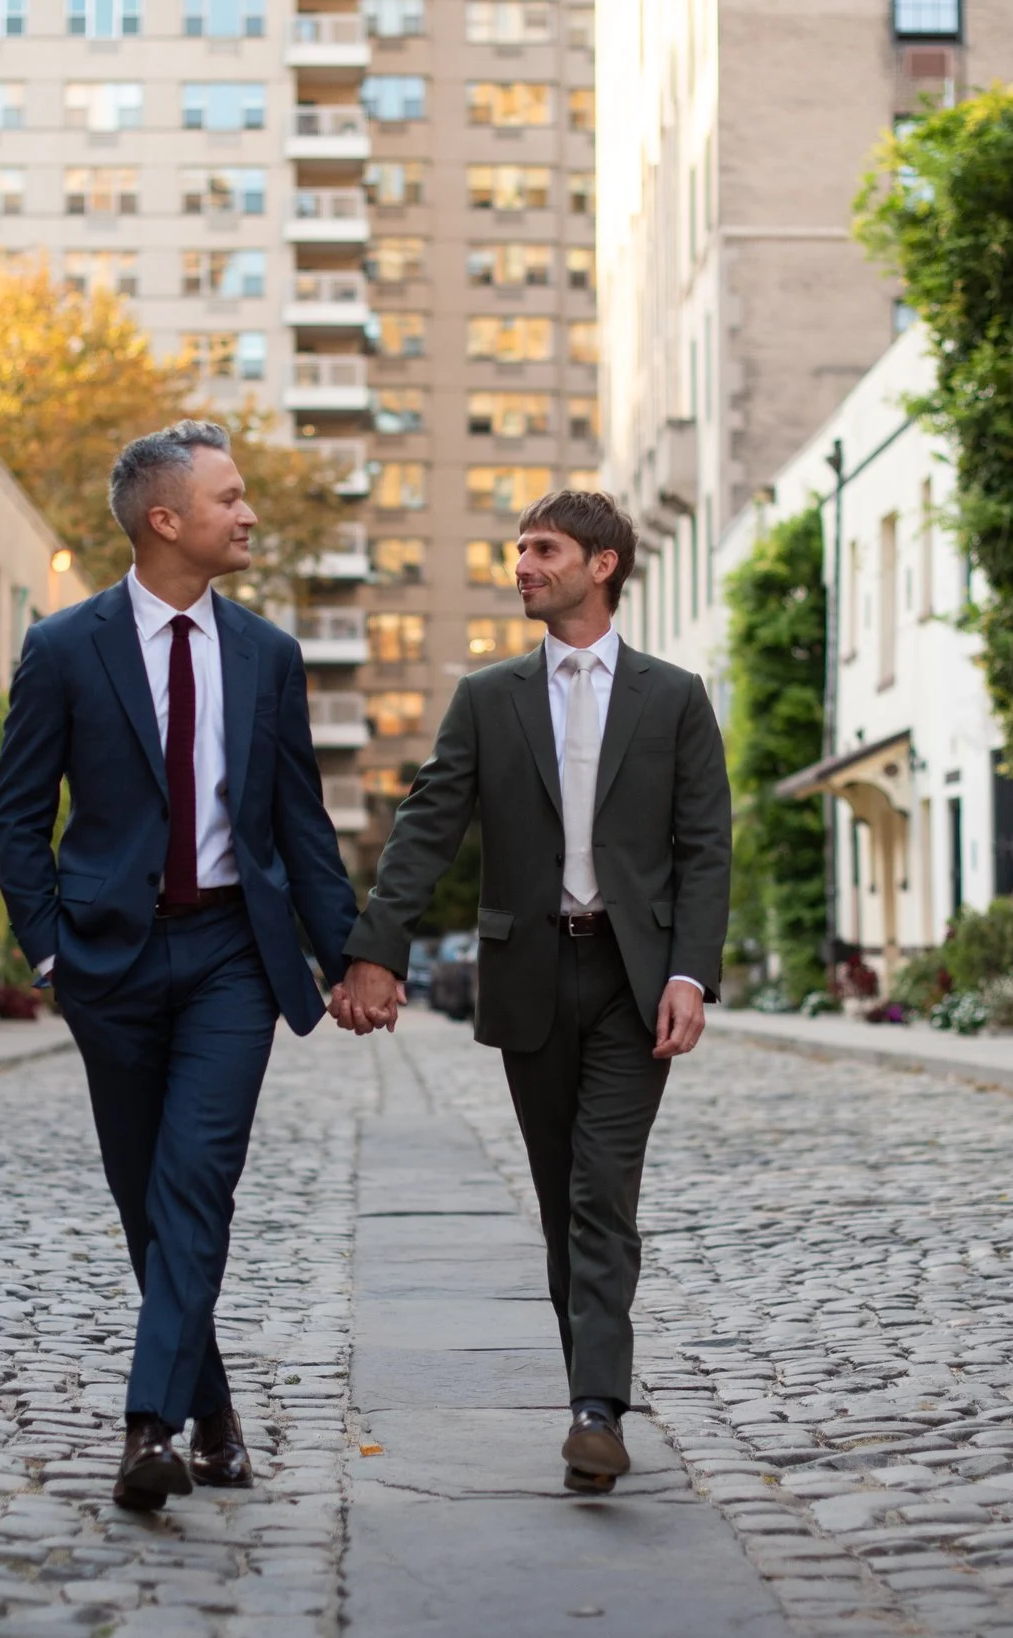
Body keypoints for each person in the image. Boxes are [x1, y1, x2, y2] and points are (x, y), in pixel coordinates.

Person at [329, 489, 731, 1495]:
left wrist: (690, 970)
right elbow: (426, 827)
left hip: (633, 980)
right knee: (563, 1200)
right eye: (516, 550)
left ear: (601, 564)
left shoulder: (674, 696)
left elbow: (705, 849)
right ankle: (587, 1391)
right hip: (530, 973)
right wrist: (375, 947)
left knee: (602, 1190)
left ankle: (598, 1409)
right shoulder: (489, 697)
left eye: (541, 549)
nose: (521, 566)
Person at [0, 420, 359, 1511]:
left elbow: (301, 824)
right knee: (143, 1200)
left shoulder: (268, 655)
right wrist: (51, 951)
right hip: (108, 959)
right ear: (164, 520)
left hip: (230, 958)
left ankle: (147, 1427)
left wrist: (352, 959)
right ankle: (214, 1409)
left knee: (197, 1180)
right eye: (230, 498)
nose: (249, 514)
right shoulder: (63, 648)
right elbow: (18, 817)